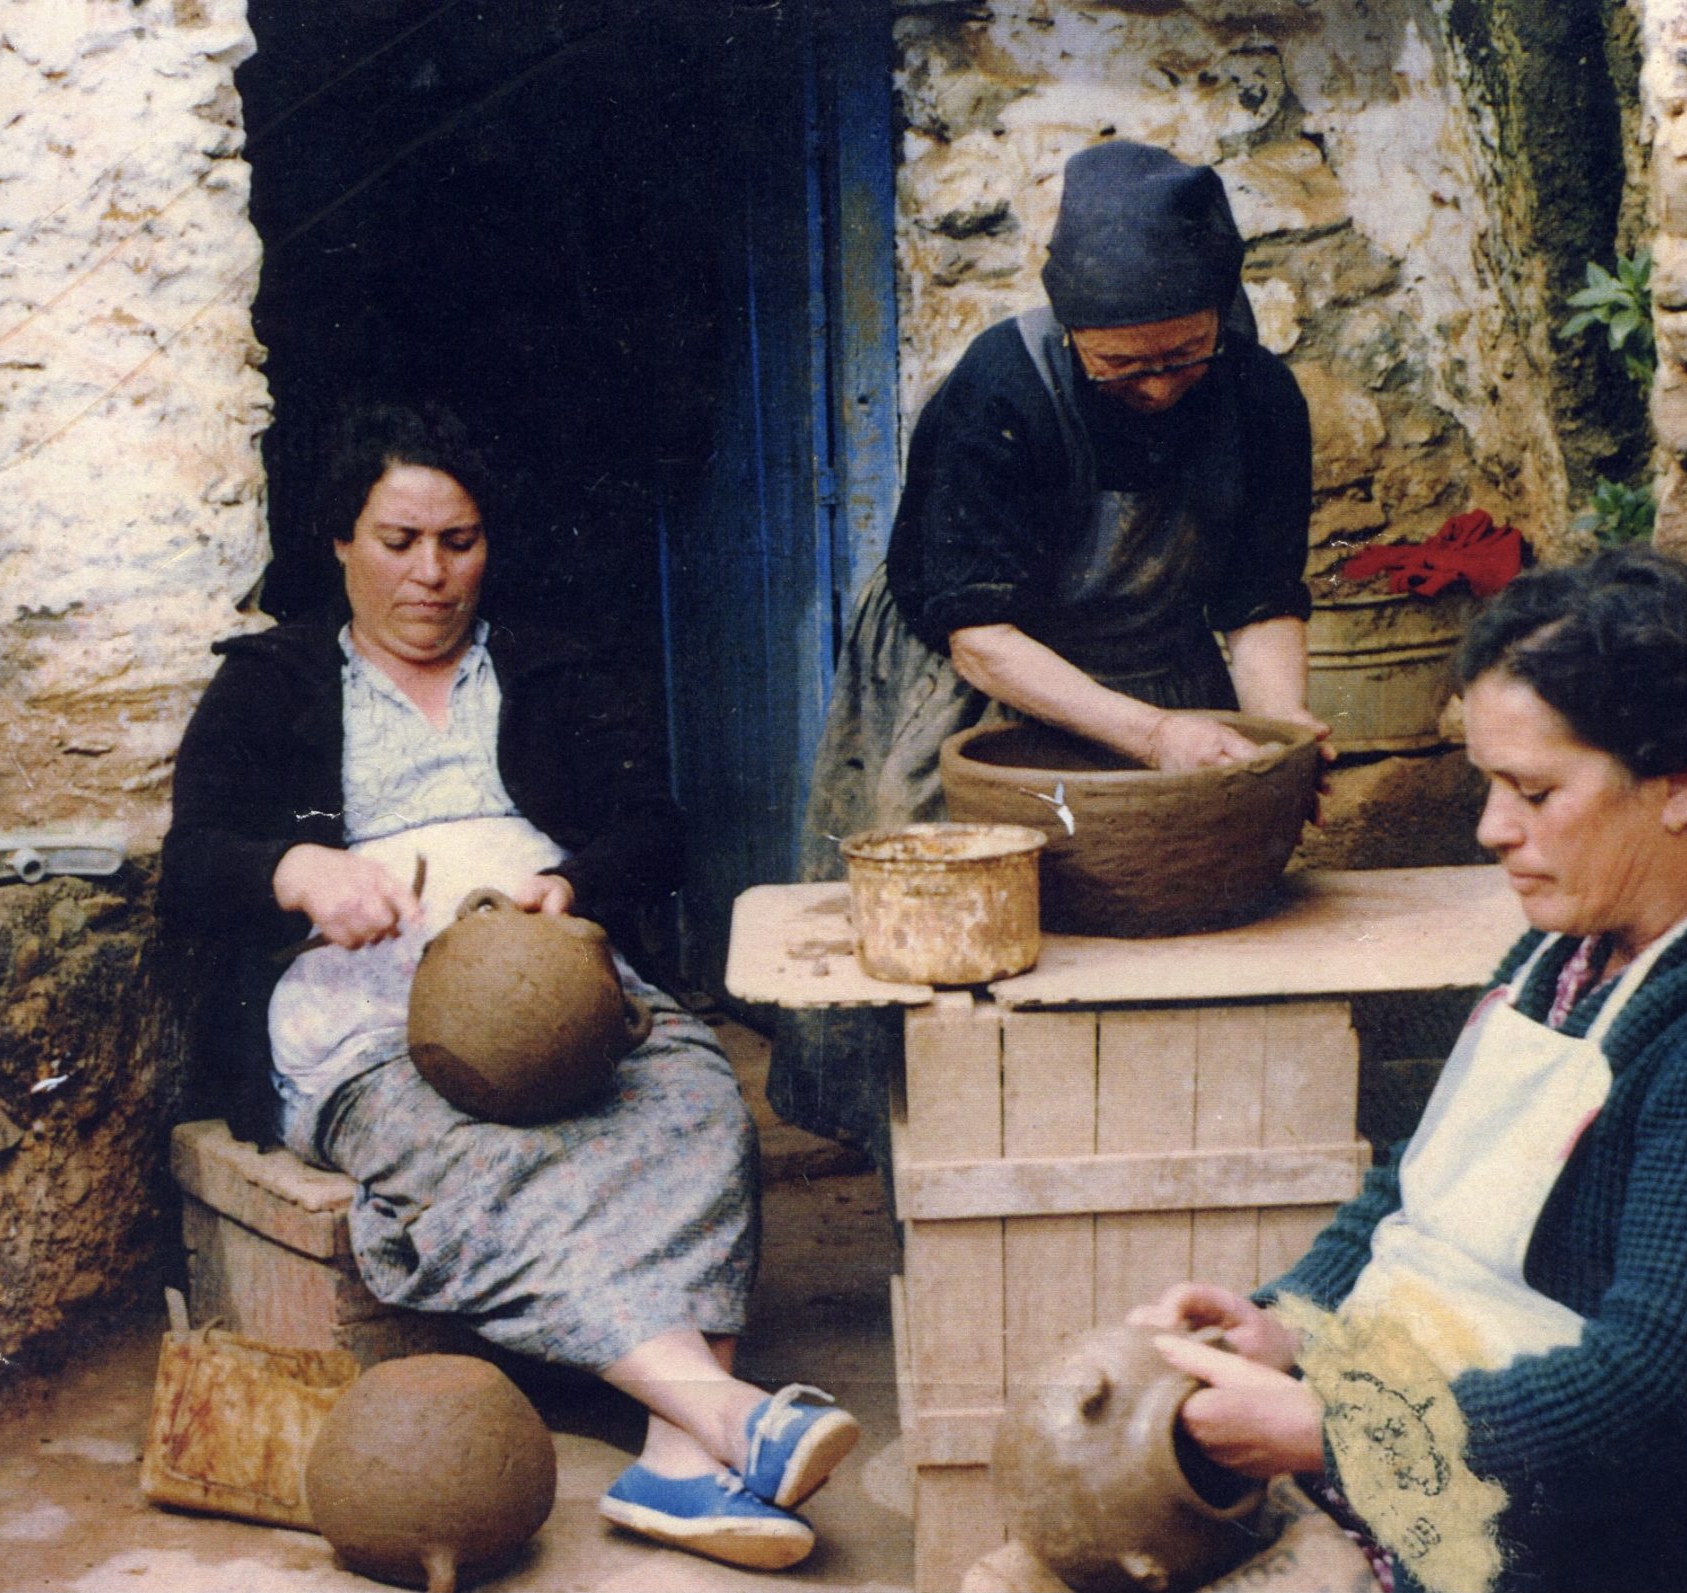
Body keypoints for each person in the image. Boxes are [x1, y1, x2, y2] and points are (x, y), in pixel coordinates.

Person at [1130, 546, 1687, 1593]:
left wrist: (1331, 1428)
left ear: (1678, 784)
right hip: (1449, 1502)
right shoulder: (1571, 955)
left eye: (1533, 789)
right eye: (1489, 784)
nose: (1490, 828)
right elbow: (1410, 1196)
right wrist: (1289, 1328)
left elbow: (1654, 1403)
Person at [159, 404, 859, 1572]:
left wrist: (566, 885)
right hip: (364, 1016)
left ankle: (679, 1468)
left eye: (460, 541)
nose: (430, 574)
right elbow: (188, 869)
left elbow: (655, 828)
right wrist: (298, 869)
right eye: (398, 541)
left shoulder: (547, 669)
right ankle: (727, 1421)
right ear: (339, 543)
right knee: (482, 1160)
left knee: (691, 1108)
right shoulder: (273, 684)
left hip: (557, 989)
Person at [774, 139, 1328, 1156]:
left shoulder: (1257, 398)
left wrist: (1281, 730)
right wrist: (1149, 735)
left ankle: (1137, 1149)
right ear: (1073, 335)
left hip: (1155, 656)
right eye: (1121, 367)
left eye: (1182, 355)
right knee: (954, 933)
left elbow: (1256, 597)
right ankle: (930, 1158)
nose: (1158, 389)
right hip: (974, 675)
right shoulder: (1004, 386)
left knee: (1165, 910)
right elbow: (975, 632)